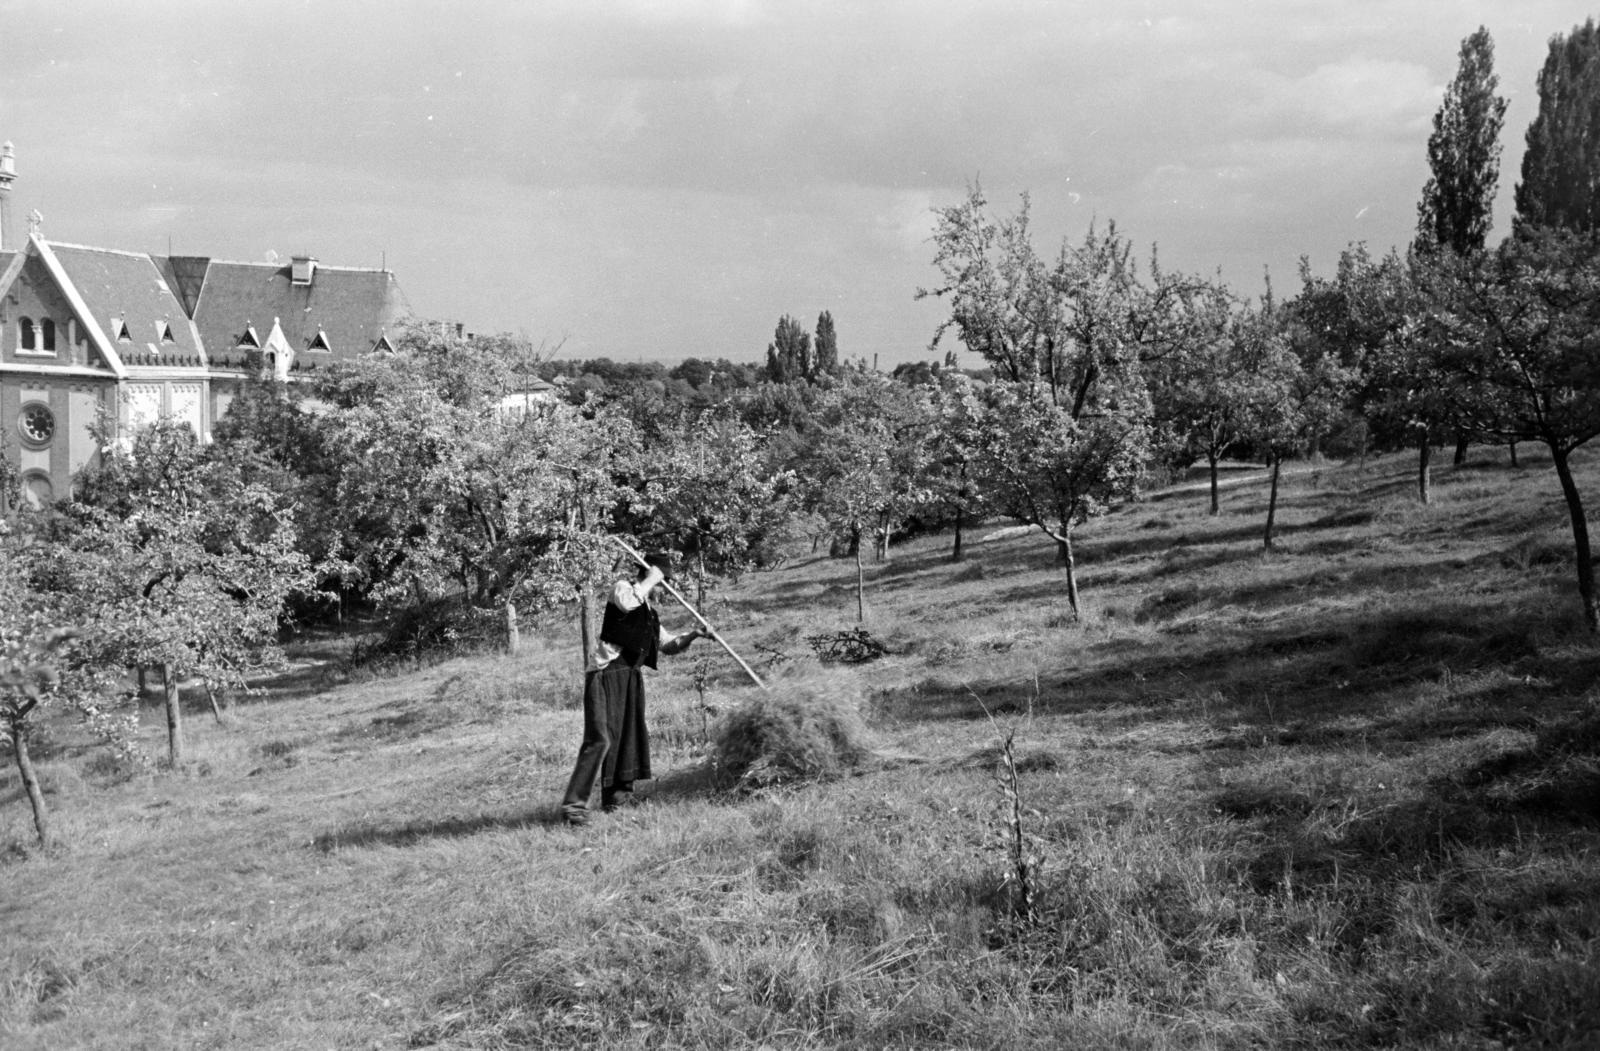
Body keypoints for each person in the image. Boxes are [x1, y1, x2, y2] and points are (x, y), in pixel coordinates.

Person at [561, 554, 705, 825]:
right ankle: (574, 807)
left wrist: (694, 634)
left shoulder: (649, 612)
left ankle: (618, 800)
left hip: (631, 676)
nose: (662, 586)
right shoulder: (623, 589)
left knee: (627, 737)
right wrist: (652, 576)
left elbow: (669, 645)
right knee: (600, 738)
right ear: (648, 573)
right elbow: (627, 604)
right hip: (607, 673)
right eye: (662, 580)